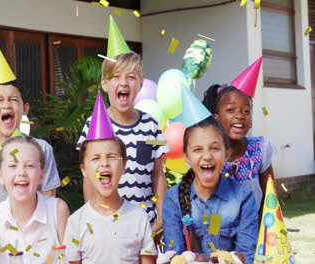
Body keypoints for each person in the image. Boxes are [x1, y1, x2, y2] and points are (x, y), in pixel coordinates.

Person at [77, 52, 168, 231]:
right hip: (106, 223)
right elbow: (88, 178)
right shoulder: (93, 125)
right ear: (105, 83)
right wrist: (92, 218)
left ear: (140, 84)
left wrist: (160, 216)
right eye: (116, 77)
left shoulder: (151, 125)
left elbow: (158, 174)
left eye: (131, 77)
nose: (124, 82)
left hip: (145, 224)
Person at [162, 117, 258, 263]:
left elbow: (246, 256)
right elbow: (175, 256)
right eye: (197, 149)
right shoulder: (173, 199)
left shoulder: (244, 196)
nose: (207, 156)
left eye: (214, 148)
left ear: (226, 153)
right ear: (186, 157)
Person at [0, 136, 70, 264]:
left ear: (41, 175)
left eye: (29, 166)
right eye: (13, 166)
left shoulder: (57, 209)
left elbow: (71, 257)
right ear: (0, 176)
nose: (21, 172)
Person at [65, 136, 157, 264]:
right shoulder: (76, 222)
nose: (104, 163)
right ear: (84, 170)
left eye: (112, 156)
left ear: (124, 165)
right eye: (96, 158)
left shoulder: (139, 217)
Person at [202, 84, 276, 208]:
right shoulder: (205, 157)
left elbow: (270, 198)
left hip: (255, 226)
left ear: (251, 120)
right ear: (216, 118)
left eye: (246, 111)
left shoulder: (260, 149)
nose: (240, 116)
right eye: (230, 110)